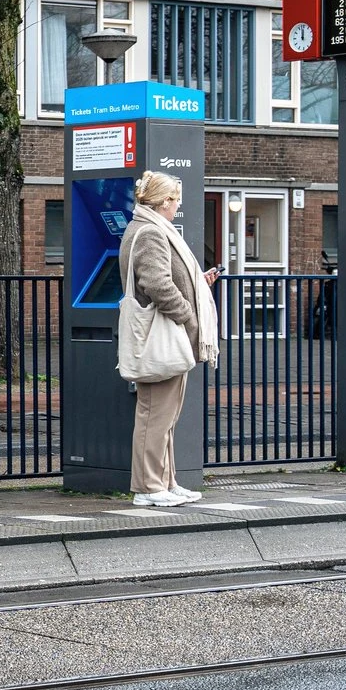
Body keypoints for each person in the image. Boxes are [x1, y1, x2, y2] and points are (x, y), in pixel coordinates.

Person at [121, 170, 221, 508]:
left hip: (167, 333)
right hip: (163, 334)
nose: (178, 206)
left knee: (164, 416)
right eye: (176, 199)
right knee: (155, 414)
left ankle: (165, 481)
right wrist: (188, 315)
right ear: (165, 201)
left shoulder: (149, 228)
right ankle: (148, 487)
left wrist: (198, 285)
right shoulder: (151, 232)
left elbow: (168, 279)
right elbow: (157, 285)